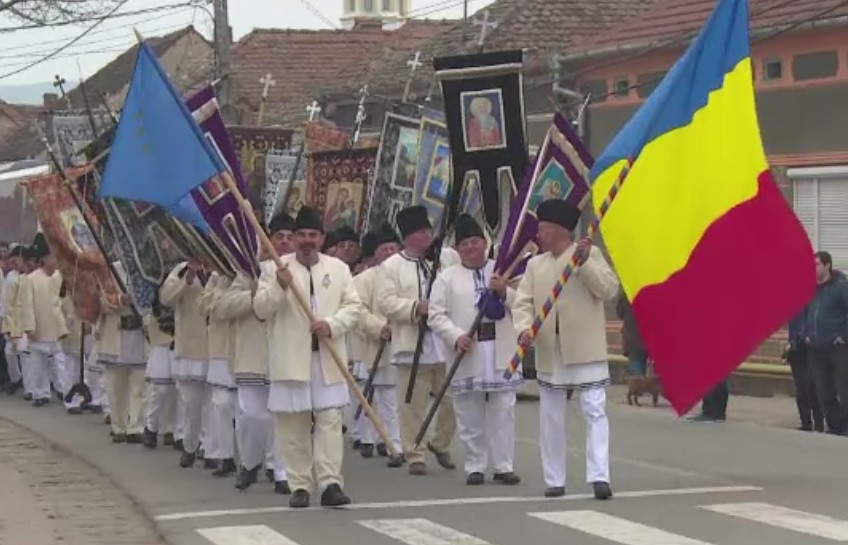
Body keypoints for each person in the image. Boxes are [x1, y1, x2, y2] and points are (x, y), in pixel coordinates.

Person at [253, 205, 361, 508]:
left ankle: (330, 484)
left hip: (327, 357)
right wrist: (279, 286)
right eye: (301, 235)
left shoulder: (338, 269)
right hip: (290, 359)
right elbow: (261, 309)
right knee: (294, 423)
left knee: (329, 420)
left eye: (312, 235)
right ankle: (299, 484)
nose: (306, 240)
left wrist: (332, 325)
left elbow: (353, 307)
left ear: (322, 238)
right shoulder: (274, 268)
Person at [512, 199, 619, 500]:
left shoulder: (588, 253)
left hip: (585, 347)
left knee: (594, 409)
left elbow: (608, 290)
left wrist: (585, 265)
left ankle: (600, 476)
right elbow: (522, 302)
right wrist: (523, 329)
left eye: (543, 228)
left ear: (557, 229)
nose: (539, 235)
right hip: (550, 348)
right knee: (551, 415)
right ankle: (554, 478)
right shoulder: (535, 264)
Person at [429, 214, 523, 486]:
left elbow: (523, 305)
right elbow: (436, 315)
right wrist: (455, 335)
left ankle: (504, 465)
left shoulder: (503, 270)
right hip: (468, 348)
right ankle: (475, 465)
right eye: (464, 244)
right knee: (468, 410)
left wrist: (504, 292)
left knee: (503, 407)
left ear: (485, 243)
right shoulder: (446, 278)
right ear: (457, 250)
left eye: (475, 241)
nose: (470, 247)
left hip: (500, 346)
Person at [376, 204, 458, 476]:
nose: (427, 237)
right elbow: (386, 303)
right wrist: (415, 308)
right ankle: (415, 453)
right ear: (408, 237)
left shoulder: (446, 258)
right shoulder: (391, 266)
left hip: (444, 340)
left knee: (452, 398)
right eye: (421, 233)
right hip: (413, 343)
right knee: (412, 403)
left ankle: (440, 441)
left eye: (428, 231)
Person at [218, 213, 294, 494]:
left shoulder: (302, 270)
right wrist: (253, 296)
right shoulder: (249, 271)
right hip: (252, 354)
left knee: (284, 416)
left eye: (290, 237)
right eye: (279, 237)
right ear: (267, 241)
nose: (285, 242)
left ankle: (282, 471)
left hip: (287, 352)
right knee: (253, 416)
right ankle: (250, 463)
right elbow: (221, 307)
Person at [352, 223, 403, 466]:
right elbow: (357, 309)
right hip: (371, 343)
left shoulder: (406, 276)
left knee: (390, 397)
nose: (390, 253)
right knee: (367, 393)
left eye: (394, 248)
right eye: (385, 249)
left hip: (398, 344)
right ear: (376, 252)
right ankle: (366, 439)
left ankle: (393, 442)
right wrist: (377, 327)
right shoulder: (363, 279)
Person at [160, 259, 210, 467]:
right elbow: (166, 298)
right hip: (191, 344)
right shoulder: (180, 269)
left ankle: (211, 448)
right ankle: (190, 443)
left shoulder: (223, 266)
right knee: (192, 403)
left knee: (215, 404)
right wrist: (188, 278)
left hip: (218, 345)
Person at [96, 262, 147, 442]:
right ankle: (118, 426)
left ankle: (136, 427)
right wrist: (120, 300)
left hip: (139, 333)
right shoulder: (108, 270)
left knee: (139, 386)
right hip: (115, 333)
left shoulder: (145, 267)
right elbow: (98, 301)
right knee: (116, 387)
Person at [21, 233, 68, 408]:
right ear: (45, 259)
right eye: (52, 257)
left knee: (60, 362)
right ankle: (40, 393)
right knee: (37, 364)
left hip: (57, 327)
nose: (55, 261)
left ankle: (64, 390)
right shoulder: (31, 279)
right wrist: (29, 327)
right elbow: (27, 305)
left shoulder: (59, 277)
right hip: (39, 327)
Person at [804, 251, 848, 435]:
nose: (813, 269)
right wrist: (806, 334)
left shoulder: (840, 287)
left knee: (844, 388)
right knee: (824, 391)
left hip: (837, 347)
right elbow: (806, 314)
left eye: (816, 265)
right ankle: (835, 426)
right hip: (816, 347)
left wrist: (844, 335)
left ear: (827, 265)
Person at [202, 271, 238, 478]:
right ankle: (225, 455)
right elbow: (205, 307)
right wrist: (223, 286)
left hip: (249, 348)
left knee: (251, 410)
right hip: (221, 349)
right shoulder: (217, 279)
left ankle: (264, 462)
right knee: (221, 403)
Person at [142, 292, 177, 449]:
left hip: (182, 338)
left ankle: (175, 430)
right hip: (161, 337)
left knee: (180, 392)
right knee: (161, 391)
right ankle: (151, 427)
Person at [785, 308, 823, 432]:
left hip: (808, 347)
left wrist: (799, 339)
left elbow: (807, 322)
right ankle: (807, 422)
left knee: (810, 386)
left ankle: (817, 422)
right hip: (797, 348)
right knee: (802, 387)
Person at [616, 289, 648, 376]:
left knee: (637, 381)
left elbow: (620, 313)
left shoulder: (627, 292)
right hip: (654, 341)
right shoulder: (656, 290)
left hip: (633, 342)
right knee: (657, 383)